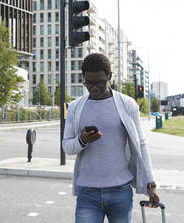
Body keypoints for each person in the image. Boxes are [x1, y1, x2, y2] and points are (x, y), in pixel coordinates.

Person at [63, 53, 159, 223]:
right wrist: (82, 140)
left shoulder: (127, 104)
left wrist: (150, 185)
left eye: (100, 82)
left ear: (110, 77)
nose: (94, 88)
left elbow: (141, 145)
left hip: (120, 192)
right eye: (89, 83)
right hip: (88, 193)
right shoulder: (75, 107)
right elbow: (67, 146)